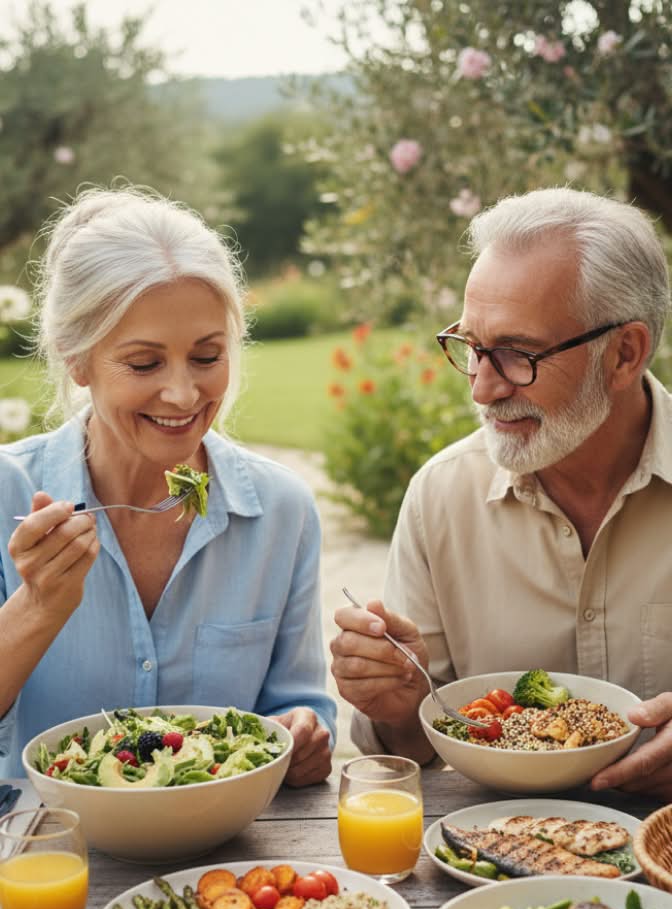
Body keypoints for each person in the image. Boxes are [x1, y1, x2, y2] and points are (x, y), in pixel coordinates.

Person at [331, 186, 672, 800]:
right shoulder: (441, 497)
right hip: (494, 868)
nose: (482, 389)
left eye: (517, 354)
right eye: (471, 348)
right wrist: (397, 704)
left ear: (625, 353)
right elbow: (403, 753)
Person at [0, 185, 335, 785]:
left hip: (225, 862)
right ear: (75, 358)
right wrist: (38, 607)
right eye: (144, 363)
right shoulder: (9, 493)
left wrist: (303, 731)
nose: (183, 395)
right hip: (52, 857)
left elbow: (295, 705)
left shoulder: (281, 511)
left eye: (206, 357)